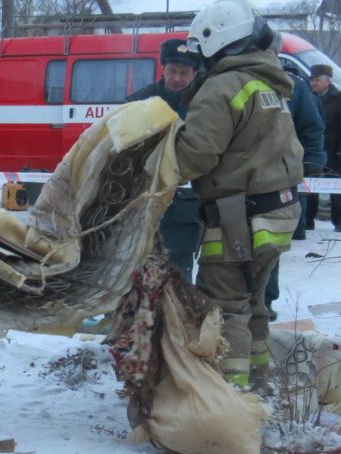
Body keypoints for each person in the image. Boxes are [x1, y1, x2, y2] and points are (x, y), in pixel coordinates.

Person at [176, 4, 303, 390]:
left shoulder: (223, 86)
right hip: (277, 210)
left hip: (238, 216)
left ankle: (229, 399)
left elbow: (194, 156)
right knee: (254, 305)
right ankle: (259, 387)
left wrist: (159, 154)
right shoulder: (267, 81)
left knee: (224, 308)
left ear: (219, 39)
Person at [126, 38, 204, 282]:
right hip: (143, 202)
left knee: (179, 270)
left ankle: (177, 318)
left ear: (194, 74)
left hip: (184, 207)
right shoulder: (139, 103)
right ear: (162, 70)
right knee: (138, 264)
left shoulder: (204, 106)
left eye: (184, 72)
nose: (177, 78)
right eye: (172, 71)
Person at [263, 32, 325, 321]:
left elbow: (312, 127)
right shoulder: (237, 84)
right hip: (243, 178)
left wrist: (312, 161)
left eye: (271, 54)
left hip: (280, 179)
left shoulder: (295, 89)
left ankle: (265, 299)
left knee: (270, 243)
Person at [310, 64, 341, 230]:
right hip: (314, 151)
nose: (313, 83)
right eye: (312, 80)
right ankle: (308, 220)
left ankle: (339, 221)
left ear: (327, 81)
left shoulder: (338, 99)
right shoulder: (309, 98)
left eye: (316, 80)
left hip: (333, 152)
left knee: (335, 187)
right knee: (310, 186)